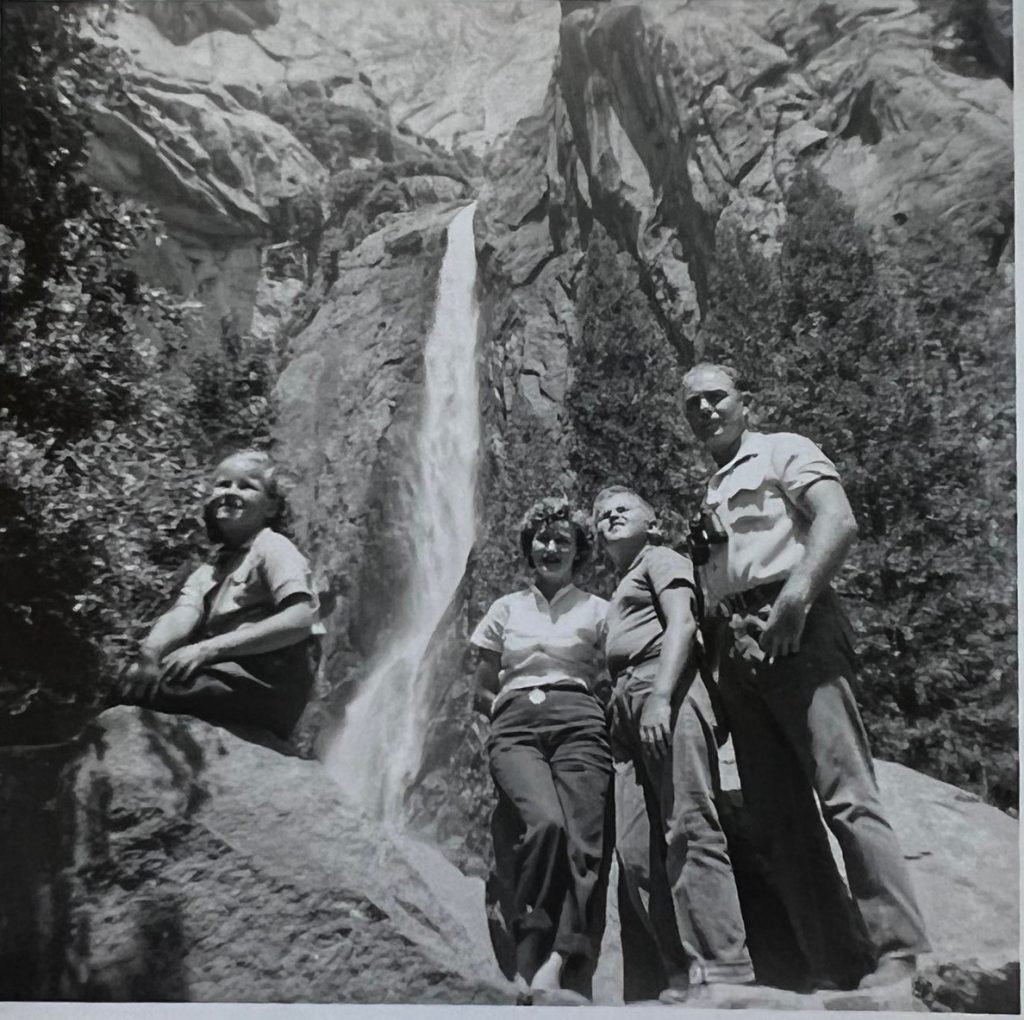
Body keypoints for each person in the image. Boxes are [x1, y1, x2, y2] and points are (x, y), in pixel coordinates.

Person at [681, 362, 930, 990]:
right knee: (778, 817)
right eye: (693, 405)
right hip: (735, 647)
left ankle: (898, 952)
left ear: (746, 403)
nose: (706, 410)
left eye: (716, 397)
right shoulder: (710, 488)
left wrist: (795, 604)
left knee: (845, 792)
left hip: (796, 626)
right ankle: (837, 965)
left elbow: (837, 520)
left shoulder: (783, 451)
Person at [593, 485, 755, 1004]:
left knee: (688, 824)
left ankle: (723, 968)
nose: (611, 514)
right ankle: (681, 971)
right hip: (623, 706)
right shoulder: (620, 585)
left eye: (624, 507)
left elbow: (683, 622)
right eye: (601, 513)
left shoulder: (660, 558)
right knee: (636, 850)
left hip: (664, 686)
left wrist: (662, 697)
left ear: (653, 521)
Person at [471, 497, 612, 1005]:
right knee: (544, 823)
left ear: (579, 552)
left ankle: (557, 960)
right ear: (529, 547)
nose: (550, 547)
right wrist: (511, 715)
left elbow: (612, 675)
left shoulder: (599, 611)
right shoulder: (504, 609)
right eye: (542, 538)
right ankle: (529, 940)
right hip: (515, 723)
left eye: (563, 540)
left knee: (583, 841)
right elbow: (481, 690)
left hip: (579, 718)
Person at [120, 449, 321, 742]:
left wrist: (209, 649)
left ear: (272, 508)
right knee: (126, 678)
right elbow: (183, 614)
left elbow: (301, 618)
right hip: (226, 676)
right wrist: (149, 654)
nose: (230, 493)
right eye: (223, 485)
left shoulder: (273, 547)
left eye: (246, 486)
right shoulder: (212, 567)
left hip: (264, 684)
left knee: (161, 686)